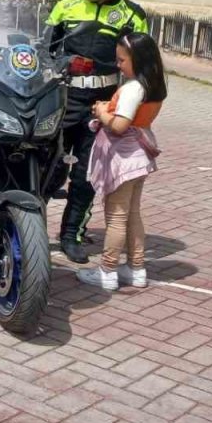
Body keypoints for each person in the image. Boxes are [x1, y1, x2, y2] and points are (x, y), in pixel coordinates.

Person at [46, 0, 149, 264]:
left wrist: (128, 110)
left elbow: (142, 68)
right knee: (48, 166)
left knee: (86, 176)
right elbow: (43, 49)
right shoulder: (66, 5)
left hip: (102, 106)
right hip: (62, 100)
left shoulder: (132, 15)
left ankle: (71, 235)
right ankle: (28, 224)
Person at [76, 32, 166, 291]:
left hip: (124, 158)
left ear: (138, 60)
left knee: (116, 217)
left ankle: (107, 270)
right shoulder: (154, 84)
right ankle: (136, 268)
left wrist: (103, 112)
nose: (118, 65)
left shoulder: (132, 88)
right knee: (133, 214)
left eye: (122, 60)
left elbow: (119, 125)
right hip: (141, 154)